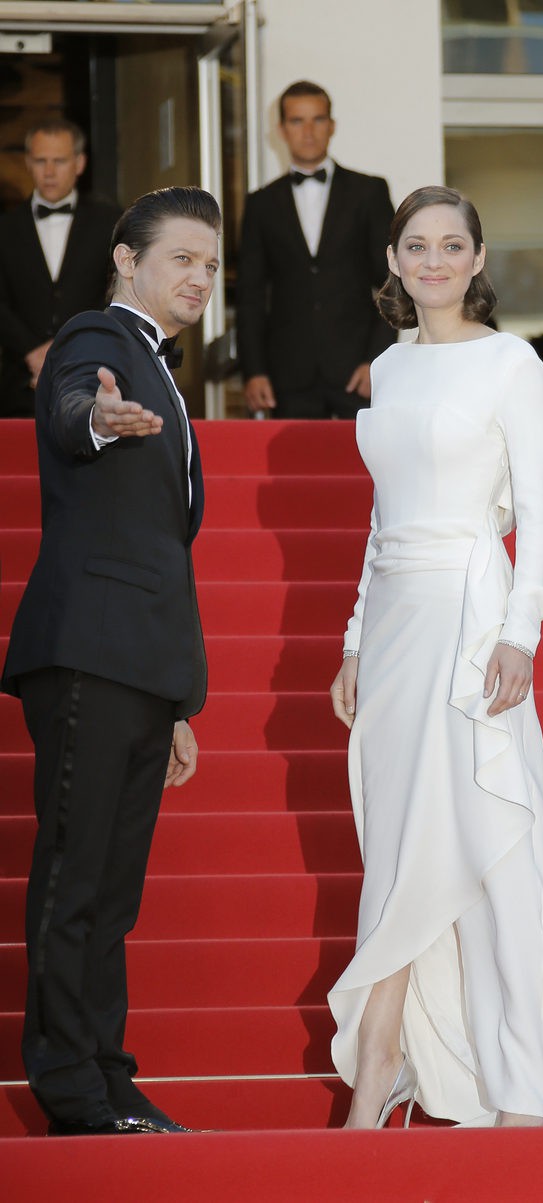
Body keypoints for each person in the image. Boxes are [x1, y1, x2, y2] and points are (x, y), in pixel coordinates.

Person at [327, 186, 543, 1129]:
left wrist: (521, 631)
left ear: (475, 262)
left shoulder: (512, 363)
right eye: (416, 245)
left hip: (472, 615)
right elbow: (382, 519)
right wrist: (352, 639)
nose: (433, 260)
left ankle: (514, 1085)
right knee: (394, 844)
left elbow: (538, 515)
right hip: (392, 625)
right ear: (394, 260)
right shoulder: (385, 368)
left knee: (487, 844)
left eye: (451, 245)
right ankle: (381, 1060)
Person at [1, 186, 220, 1135]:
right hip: (87, 650)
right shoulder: (100, 337)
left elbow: (160, 544)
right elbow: (70, 402)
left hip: (138, 665)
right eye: (183, 259)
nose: (200, 278)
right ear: (129, 259)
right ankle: (68, 1084)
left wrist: (175, 699)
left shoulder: (167, 373)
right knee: (75, 877)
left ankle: (107, 1077)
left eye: (211, 265)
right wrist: (98, 418)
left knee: (113, 895)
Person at [236, 80, 395, 419]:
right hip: (287, 376)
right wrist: (254, 370)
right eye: (297, 121)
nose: (308, 131)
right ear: (281, 129)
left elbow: (392, 281)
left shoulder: (370, 192)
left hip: (359, 371)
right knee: (293, 470)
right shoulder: (260, 204)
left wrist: (378, 359)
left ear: (332, 125)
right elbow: (249, 295)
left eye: (317, 119)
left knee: (363, 471)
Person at [0, 118, 120, 417]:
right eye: (41, 161)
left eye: (59, 161)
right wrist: (32, 352)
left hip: (94, 380)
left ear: (79, 163)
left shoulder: (112, 222)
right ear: (28, 163)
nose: (49, 172)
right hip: (18, 387)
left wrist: (66, 346)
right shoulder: (6, 228)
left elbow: (119, 295)